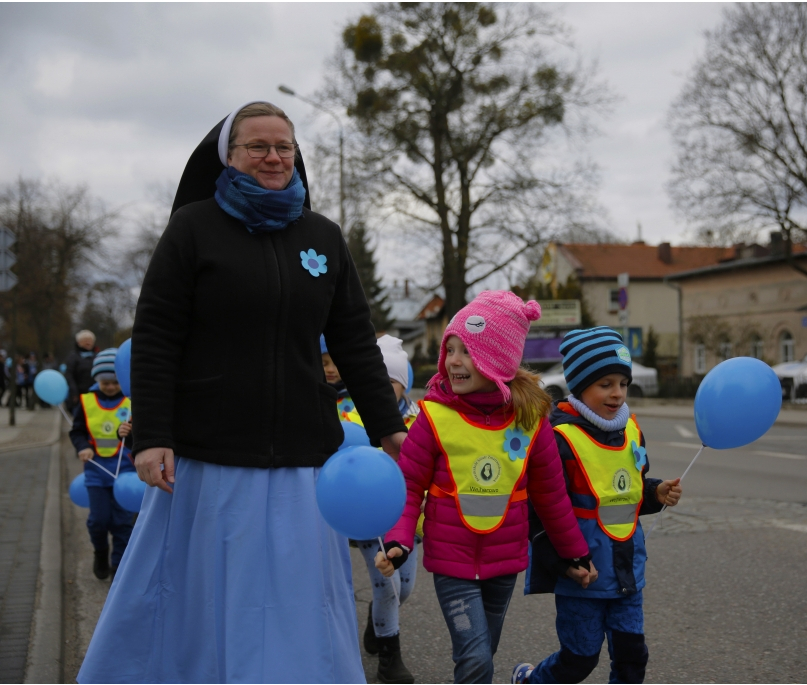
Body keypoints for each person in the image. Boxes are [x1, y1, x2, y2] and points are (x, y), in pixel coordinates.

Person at [77, 101, 407, 684]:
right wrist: (153, 435)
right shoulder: (193, 228)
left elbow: (355, 339)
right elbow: (157, 337)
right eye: (258, 146)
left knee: (299, 597)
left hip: (304, 460)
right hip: (211, 459)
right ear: (229, 156)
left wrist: (388, 425)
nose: (274, 156)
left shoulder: (322, 236)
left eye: (284, 146)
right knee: (212, 596)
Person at [375, 291, 594, 684]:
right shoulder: (434, 417)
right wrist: (399, 539)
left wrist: (574, 552)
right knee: (476, 659)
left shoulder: (531, 420)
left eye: (467, 352)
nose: (453, 361)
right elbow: (409, 486)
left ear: (498, 360)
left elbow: (551, 496)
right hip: (451, 563)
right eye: (450, 349)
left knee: (483, 653)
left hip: (504, 562)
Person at [512, 327, 683, 684]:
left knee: (632, 658)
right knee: (578, 660)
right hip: (583, 576)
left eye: (622, 383)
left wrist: (655, 493)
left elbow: (623, 492)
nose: (617, 393)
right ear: (579, 385)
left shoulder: (632, 429)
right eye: (605, 384)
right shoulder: (558, 438)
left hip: (626, 572)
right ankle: (530, 681)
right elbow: (540, 511)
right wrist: (564, 563)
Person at [350, 334, 418, 684]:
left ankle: (376, 621)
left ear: (404, 385)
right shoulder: (351, 416)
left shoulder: (420, 419)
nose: (381, 387)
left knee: (405, 588)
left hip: (408, 518)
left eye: (390, 381)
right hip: (368, 517)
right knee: (386, 587)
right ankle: (390, 658)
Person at [68, 348, 136, 580]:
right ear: (98, 380)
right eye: (105, 382)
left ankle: (118, 565)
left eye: (115, 382)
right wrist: (82, 447)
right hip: (96, 471)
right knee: (99, 520)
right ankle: (100, 552)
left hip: (125, 473)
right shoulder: (87, 402)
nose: (110, 387)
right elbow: (77, 432)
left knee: (122, 522)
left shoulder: (131, 402)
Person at [64, 330, 98, 411]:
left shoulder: (98, 356)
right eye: (85, 340)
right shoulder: (73, 357)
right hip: (79, 395)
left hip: (95, 395)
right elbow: (69, 375)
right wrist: (74, 393)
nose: (88, 342)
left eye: (90, 340)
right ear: (78, 342)